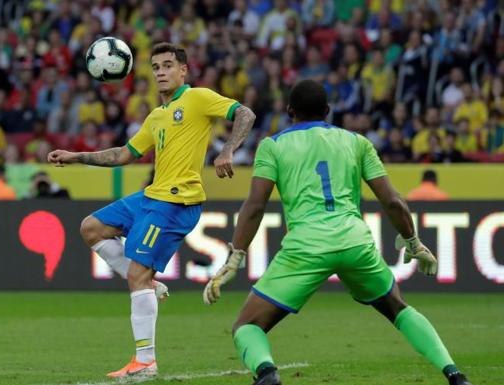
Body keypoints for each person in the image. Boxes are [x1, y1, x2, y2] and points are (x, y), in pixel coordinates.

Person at [203, 80, 472, 385]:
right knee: (398, 308)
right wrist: (413, 242)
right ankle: (454, 374)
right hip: (354, 240)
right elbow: (393, 201)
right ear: (328, 111)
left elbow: (254, 207)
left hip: (306, 246)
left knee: (247, 325)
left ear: (289, 111)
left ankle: (267, 373)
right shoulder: (357, 142)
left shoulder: (272, 146)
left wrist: (235, 257)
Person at [46, 42, 256, 379]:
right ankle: (148, 284)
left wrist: (228, 149)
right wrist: (76, 156)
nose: (161, 72)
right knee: (91, 228)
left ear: (183, 70)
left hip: (176, 202)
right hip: (151, 196)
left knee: (136, 276)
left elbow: (245, 113)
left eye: (168, 65)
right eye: (156, 66)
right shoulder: (156, 116)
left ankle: (145, 361)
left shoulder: (198, 98)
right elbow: (124, 155)